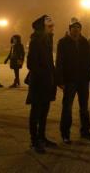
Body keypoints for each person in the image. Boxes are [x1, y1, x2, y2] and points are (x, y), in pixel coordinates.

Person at [56, 18, 90, 144]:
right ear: (70, 29)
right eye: (74, 28)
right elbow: (59, 62)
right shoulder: (62, 42)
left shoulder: (84, 42)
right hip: (69, 80)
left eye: (78, 28)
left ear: (80, 29)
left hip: (83, 80)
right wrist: (60, 80)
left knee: (84, 108)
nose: (76, 30)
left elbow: (89, 61)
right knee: (67, 107)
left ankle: (85, 131)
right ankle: (65, 134)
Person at [26, 15, 57, 154]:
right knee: (36, 113)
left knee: (44, 113)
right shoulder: (36, 41)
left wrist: (55, 78)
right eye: (50, 26)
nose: (52, 28)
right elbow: (31, 64)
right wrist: (44, 75)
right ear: (42, 27)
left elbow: (50, 62)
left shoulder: (47, 40)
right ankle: (34, 140)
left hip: (47, 82)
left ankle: (42, 137)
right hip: (39, 83)